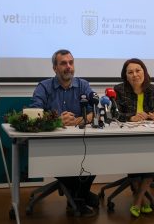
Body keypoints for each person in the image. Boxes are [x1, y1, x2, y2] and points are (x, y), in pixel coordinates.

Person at [30, 49, 98, 217]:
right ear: (55, 68)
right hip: (52, 145)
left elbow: (95, 110)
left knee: (96, 157)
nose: (68, 67)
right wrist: (57, 121)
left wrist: (82, 119)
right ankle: (79, 199)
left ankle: (76, 196)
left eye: (71, 63)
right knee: (65, 162)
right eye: (63, 63)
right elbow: (33, 114)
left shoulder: (83, 85)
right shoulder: (44, 87)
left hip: (79, 143)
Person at [114, 58, 154, 217]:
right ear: (125, 75)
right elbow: (114, 115)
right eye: (130, 72)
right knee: (135, 161)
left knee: (151, 161)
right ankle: (141, 200)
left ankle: (137, 199)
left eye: (138, 71)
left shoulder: (152, 90)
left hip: (150, 136)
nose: (135, 75)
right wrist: (131, 117)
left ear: (144, 72)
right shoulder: (119, 90)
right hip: (128, 137)